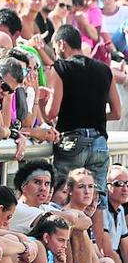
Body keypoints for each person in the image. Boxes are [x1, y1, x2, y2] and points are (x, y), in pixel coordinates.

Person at [46, 24, 120, 208]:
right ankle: (99, 237)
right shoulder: (105, 70)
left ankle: (63, 237)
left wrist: (40, 101)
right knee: (97, 201)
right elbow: (117, 113)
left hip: (71, 142)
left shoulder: (60, 68)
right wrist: (96, 117)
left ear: (62, 44)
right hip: (99, 142)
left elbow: (51, 113)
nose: (56, 52)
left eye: (55, 47)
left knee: (62, 197)